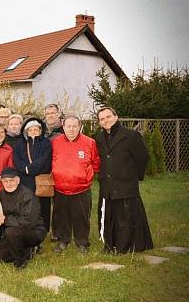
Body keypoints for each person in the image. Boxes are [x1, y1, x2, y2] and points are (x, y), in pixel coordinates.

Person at [95, 107, 153, 253]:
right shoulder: (99, 138)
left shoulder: (131, 135)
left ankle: (128, 246)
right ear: (99, 122)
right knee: (110, 217)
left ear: (116, 117)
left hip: (126, 185)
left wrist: (134, 176)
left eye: (108, 117)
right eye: (102, 119)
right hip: (107, 186)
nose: (105, 121)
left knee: (126, 216)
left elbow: (142, 157)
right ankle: (110, 244)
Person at [51, 115, 100, 254]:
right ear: (63, 126)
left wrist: (85, 176)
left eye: (74, 126)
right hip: (60, 188)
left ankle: (82, 242)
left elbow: (96, 163)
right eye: (68, 126)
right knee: (61, 216)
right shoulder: (55, 142)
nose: (71, 129)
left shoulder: (89, 142)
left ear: (80, 127)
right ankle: (62, 241)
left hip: (81, 189)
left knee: (81, 217)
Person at [0, 168, 46, 269]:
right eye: (5, 181)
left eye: (12, 180)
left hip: (34, 232)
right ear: (2, 182)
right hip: (13, 233)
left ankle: (20, 261)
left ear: (18, 180)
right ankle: (28, 251)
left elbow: (28, 221)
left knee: (11, 231)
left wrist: (5, 220)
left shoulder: (28, 195)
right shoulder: (0, 195)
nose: (9, 184)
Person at [13, 117, 53, 238]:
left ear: (40, 130)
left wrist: (30, 169)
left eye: (36, 129)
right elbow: (16, 158)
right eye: (31, 130)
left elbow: (45, 159)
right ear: (26, 131)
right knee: (29, 204)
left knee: (43, 204)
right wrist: (24, 168)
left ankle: (44, 229)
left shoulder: (46, 142)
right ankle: (29, 226)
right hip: (26, 179)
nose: (33, 131)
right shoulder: (20, 143)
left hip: (41, 178)